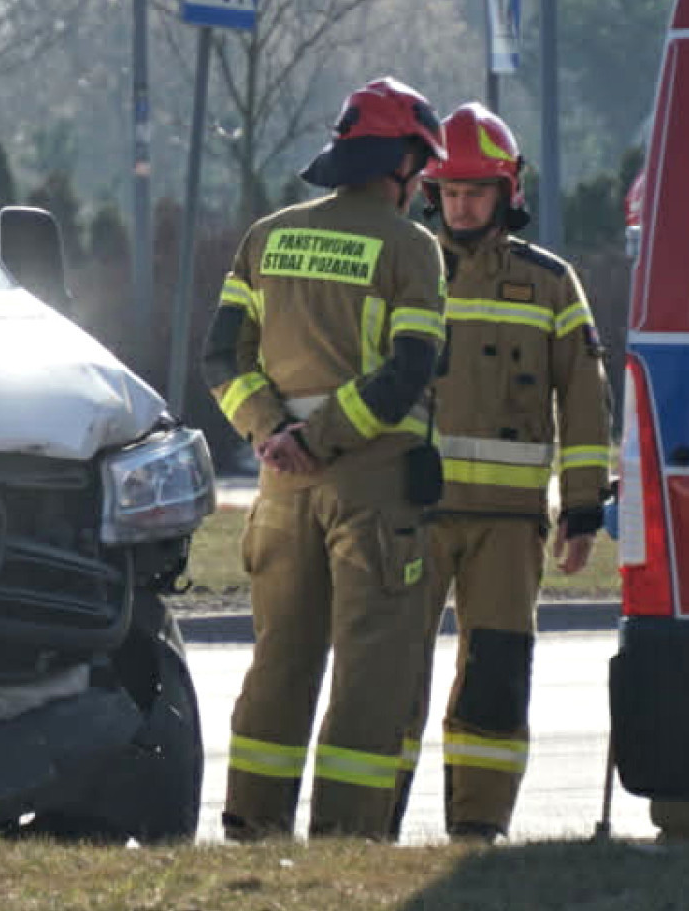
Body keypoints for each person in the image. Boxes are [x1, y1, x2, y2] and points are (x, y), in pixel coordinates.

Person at [202, 78, 453, 841]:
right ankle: (347, 839)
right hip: (370, 488)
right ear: (403, 161)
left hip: (280, 491)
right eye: (424, 166)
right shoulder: (414, 249)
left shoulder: (267, 236)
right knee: (371, 670)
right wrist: (321, 438)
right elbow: (409, 369)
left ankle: (254, 821)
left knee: (281, 659)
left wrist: (270, 432)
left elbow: (220, 358)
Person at [391, 103, 612, 845]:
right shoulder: (401, 269)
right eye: (449, 192)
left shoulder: (550, 284)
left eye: (475, 191)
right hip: (407, 514)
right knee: (387, 679)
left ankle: (478, 832)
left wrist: (583, 512)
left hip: (510, 526)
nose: (460, 205)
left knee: (497, 679)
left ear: (507, 192)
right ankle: (363, 834)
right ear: (432, 194)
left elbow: (585, 399)